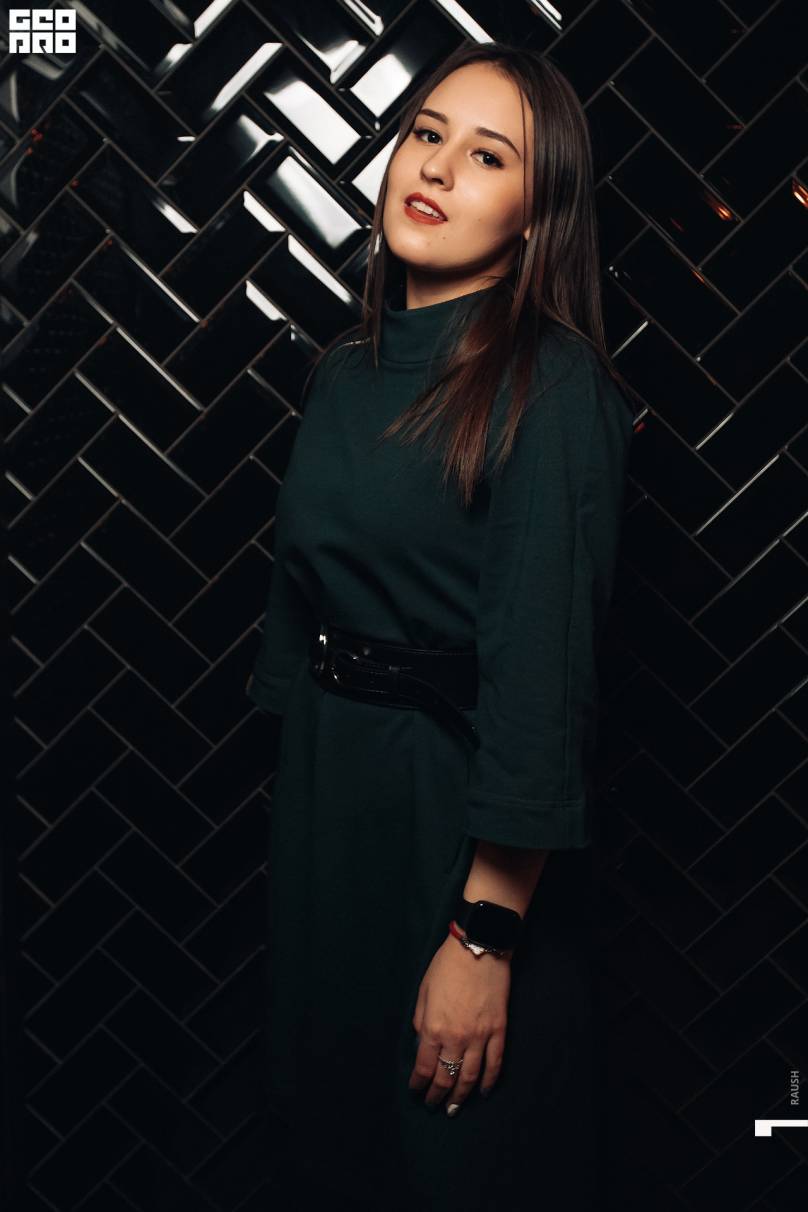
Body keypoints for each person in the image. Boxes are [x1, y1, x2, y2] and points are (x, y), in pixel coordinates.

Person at [246, 40, 637, 1212]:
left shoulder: (551, 388)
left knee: (454, 1161)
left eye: (487, 155)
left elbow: (542, 686)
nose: (436, 167)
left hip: (454, 821)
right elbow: (299, 610)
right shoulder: (345, 368)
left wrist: (481, 938)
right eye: (426, 134)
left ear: (535, 212)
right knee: (330, 1144)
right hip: (332, 802)